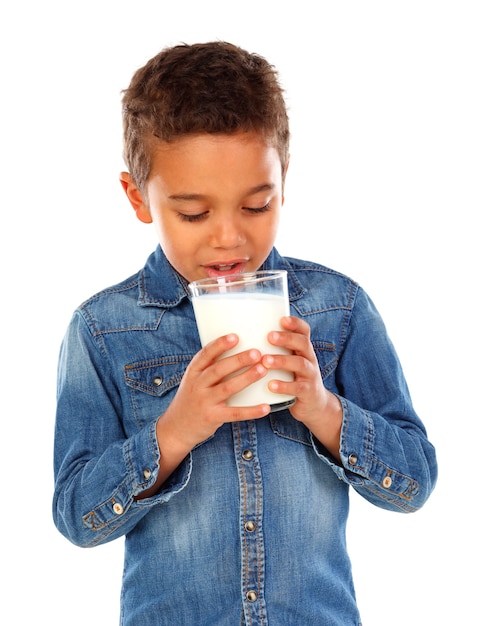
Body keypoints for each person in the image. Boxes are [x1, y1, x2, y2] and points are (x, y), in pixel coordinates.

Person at [52, 41, 438, 626]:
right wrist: (174, 432)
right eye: (194, 214)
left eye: (256, 206)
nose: (228, 239)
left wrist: (324, 408)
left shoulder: (339, 308)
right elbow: (78, 516)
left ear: (283, 182)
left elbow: (413, 483)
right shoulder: (103, 331)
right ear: (138, 198)